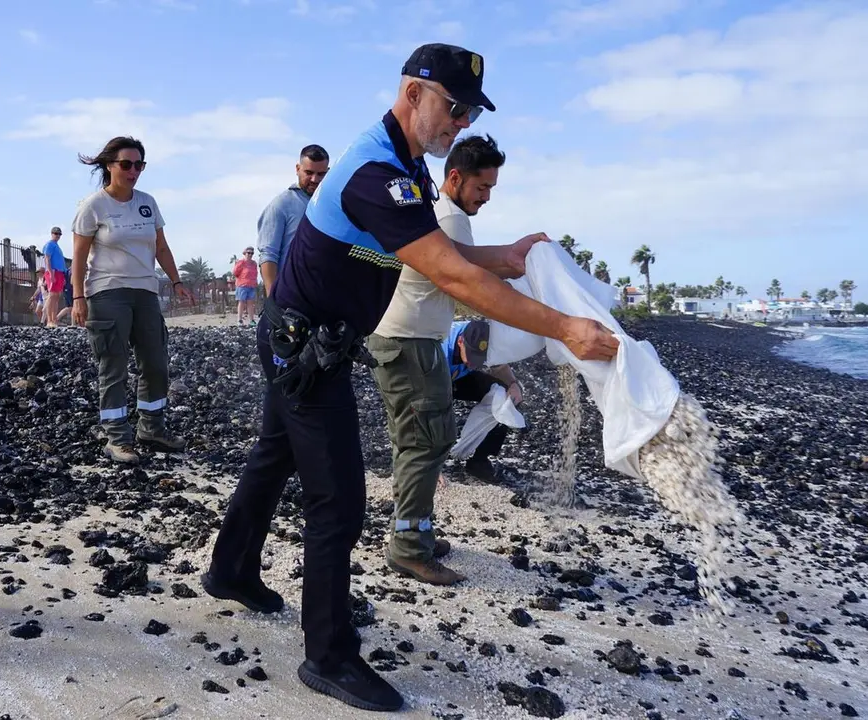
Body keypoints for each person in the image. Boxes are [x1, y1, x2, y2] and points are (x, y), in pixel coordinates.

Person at [201, 42, 618, 712]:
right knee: (336, 500)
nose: (460, 122)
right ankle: (327, 656)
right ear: (412, 93)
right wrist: (562, 329)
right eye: (454, 107)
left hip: (309, 339)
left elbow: (438, 252)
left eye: (470, 110)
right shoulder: (377, 170)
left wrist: (506, 257)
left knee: (272, 457)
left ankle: (229, 570)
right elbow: (451, 277)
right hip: (304, 347)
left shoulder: (405, 167)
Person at [369, 133, 510, 585]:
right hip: (409, 341)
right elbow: (465, 281)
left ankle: (416, 534)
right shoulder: (449, 218)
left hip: (409, 338)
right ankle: (409, 548)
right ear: (455, 177)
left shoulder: (437, 210)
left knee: (418, 440)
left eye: (490, 189)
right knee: (425, 443)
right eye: (481, 188)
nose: (486, 198)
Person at [69, 136, 195, 464]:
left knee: (155, 362)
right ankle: (117, 438)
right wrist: (78, 297)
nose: (133, 170)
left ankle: (152, 428)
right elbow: (79, 256)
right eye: (126, 164)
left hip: (146, 292)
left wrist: (177, 280)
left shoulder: (147, 202)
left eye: (139, 164)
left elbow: (161, 247)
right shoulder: (93, 206)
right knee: (114, 364)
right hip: (107, 292)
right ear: (109, 166)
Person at [443, 319, 523, 481]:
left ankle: (479, 460)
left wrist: (513, 385)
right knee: (435, 411)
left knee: (504, 395)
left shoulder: (487, 340)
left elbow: (499, 367)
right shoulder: (441, 347)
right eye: (472, 355)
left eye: (480, 358)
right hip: (431, 376)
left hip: (460, 377)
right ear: (460, 341)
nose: (475, 363)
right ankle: (427, 464)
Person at [257, 144, 329, 296]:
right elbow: (268, 255)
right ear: (297, 169)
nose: (314, 179)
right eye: (309, 173)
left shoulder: (330, 205)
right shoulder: (281, 204)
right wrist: (273, 299)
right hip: (289, 297)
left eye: (321, 174)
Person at [42, 226, 67, 326]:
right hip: (53, 271)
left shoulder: (56, 246)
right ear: (52, 234)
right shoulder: (49, 245)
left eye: (59, 234)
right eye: (56, 233)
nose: (57, 236)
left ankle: (54, 319)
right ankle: (49, 320)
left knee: (56, 296)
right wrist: (51, 273)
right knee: (52, 295)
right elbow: (47, 259)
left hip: (60, 272)